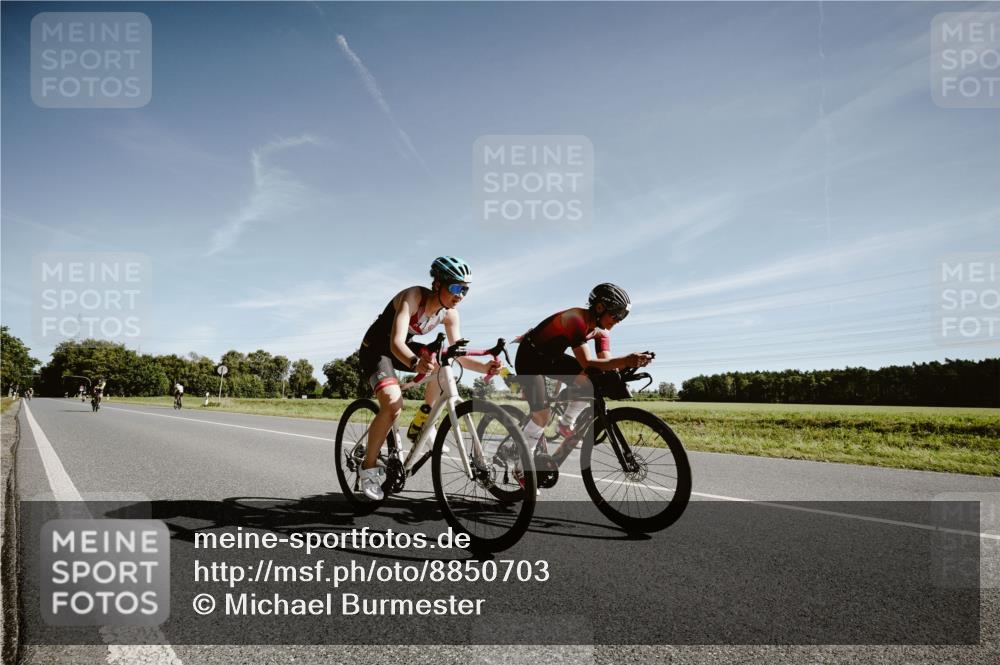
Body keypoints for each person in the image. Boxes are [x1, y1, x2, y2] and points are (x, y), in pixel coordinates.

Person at [356, 256, 498, 501]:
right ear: (437, 285)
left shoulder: (450, 315)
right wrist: (415, 362)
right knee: (392, 404)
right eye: (455, 287)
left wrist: (485, 366)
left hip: (405, 348)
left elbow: (459, 357)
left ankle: (421, 421)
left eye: (465, 289)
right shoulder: (413, 297)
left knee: (444, 365)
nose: (460, 295)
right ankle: (368, 469)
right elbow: (396, 342)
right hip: (378, 349)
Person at [513, 283, 652, 484]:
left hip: (552, 357)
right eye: (617, 314)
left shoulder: (602, 331)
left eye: (623, 316)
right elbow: (587, 362)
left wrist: (630, 364)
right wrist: (625, 359)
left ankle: (565, 423)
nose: (619, 321)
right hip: (530, 358)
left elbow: (605, 364)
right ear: (600, 307)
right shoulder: (575, 319)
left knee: (591, 382)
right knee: (542, 416)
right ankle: (521, 467)